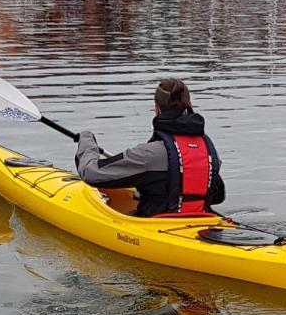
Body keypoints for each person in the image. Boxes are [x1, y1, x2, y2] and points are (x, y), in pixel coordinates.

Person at [74, 78, 225, 217]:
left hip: (157, 227)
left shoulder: (147, 155)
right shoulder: (209, 152)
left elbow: (91, 173)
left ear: (157, 109)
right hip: (201, 222)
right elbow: (218, 196)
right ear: (190, 105)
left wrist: (87, 141)